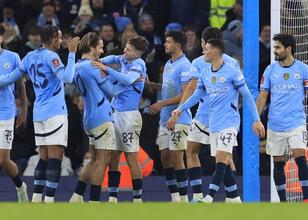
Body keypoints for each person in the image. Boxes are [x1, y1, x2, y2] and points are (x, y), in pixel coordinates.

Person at [172, 38, 264, 203]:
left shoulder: (232, 71)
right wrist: (181, 108)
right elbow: (197, 95)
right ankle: (234, 197)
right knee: (222, 162)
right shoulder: (205, 72)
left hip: (229, 123)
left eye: (206, 49)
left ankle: (209, 196)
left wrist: (257, 119)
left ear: (215, 52)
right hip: (214, 123)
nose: (203, 52)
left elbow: (247, 96)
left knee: (222, 157)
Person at [0, 25, 80, 203]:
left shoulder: (30, 56)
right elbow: (67, 78)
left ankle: (36, 197)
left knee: (43, 155)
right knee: (55, 156)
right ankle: (49, 200)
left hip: (38, 113)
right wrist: (73, 53)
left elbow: (11, 77)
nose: (61, 41)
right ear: (52, 38)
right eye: (59, 37)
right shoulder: (52, 57)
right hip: (55, 112)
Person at [167, 27, 241, 202]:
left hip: (203, 116)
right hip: (225, 116)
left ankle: (200, 195)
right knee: (225, 157)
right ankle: (232, 197)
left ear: (204, 43)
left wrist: (180, 109)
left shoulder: (199, 62)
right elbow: (238, 90)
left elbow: (192, 88)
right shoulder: (233, 62)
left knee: (192, 151)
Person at [69, 32, 127, 202]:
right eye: (100, 47)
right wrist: (130, 80)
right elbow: (113, 91)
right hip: (102, 117)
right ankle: (95, 201)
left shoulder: (78, 66)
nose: (102, 51)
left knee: (94, 159)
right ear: (92, 47)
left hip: (89, 117)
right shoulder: (93, 67)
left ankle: (77, 195)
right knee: (103, 159)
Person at [92, 36, 148, 203]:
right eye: (125, 47)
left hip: (129, 116)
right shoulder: (125, 59)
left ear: (137, 54)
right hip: (115, 113)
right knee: (113, 156)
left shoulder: (139, 65)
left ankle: (137, 198)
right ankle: (112, 197)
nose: (125, 51)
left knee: (131, 157)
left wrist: (105, 68)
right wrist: (99, 60)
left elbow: (125, 80)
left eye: (129, 49)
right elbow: (113, 58)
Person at [257, 33, 308, 202]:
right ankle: (283, 203)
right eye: (274, 47)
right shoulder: (270, 70)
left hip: (296, 122)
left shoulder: (303, 69)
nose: (275, 51)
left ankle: (306, 200)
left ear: (288, 49)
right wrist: (256, 119)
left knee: (301, 157)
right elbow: (263, 95)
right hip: (275, 124)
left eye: (278, 47)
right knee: (278, 163)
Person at [148, 30, 192, 202]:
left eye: (168, 42)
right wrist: (152, 85)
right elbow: (168, 88)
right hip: (165, 119)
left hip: (179, 118)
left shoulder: (185, 65)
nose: (165, 44)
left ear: (178, 45)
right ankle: (174, 197)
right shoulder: (168, 64)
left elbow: (185, 94)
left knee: (176, 157)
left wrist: (161, 104)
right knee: (165, 158)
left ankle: (183, 199)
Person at [0, 23, 28, 202]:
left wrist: (24, 109)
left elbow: (20, 84)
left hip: (6, 113)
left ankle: (20, 186)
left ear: (1, 38)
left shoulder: (13, 57)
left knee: (3, 160)